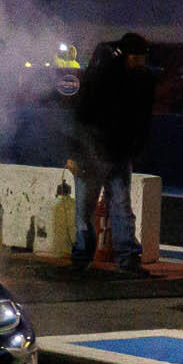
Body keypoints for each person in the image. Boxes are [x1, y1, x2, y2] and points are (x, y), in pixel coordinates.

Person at [69, 32, 156, 275]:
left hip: (116, 153)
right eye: (137, 59)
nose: (141, 64)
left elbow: (142, 120)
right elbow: (83, 115)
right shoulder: (102, 78)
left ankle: (118, 259)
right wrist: (77, 154)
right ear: (126, 56)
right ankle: (88, 257)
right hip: (94, 152)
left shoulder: (139, 79)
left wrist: (133, 149)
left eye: (142, 59)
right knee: (90, 209)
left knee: (117, 206)